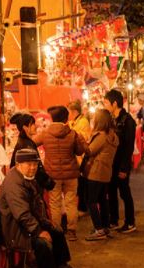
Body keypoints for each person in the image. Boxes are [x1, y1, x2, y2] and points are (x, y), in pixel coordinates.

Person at [0, 148, 78, 268]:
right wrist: (38, 230)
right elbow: (22, 214)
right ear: (18, 165)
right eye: (28, 164)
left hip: (28, 223)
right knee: (43, 243)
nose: (33, 167)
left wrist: (46, 222)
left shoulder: (27, 177)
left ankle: (61, 265)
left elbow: (36, 205)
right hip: (16, 230)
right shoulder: (13, 183)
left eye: (34, 164)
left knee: (57, 230)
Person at [34, 105, 88, 241]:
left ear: (52, 118)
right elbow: (80, 151)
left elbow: (32, 143)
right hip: (71, 174)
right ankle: (72, 232)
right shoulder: (72, 133)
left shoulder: (45, 133)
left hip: (52, 174)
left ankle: (57, 231)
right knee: (71, 203)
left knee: (55, 203)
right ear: (66, 118)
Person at [104, 89, 137, 233]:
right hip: (112, 163)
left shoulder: (128, 121)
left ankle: (130, 222)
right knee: (111, 191)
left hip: (121, 164)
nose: (104, 105)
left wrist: (124, 168)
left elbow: (129, 147)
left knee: (124, 192)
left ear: (114, 103)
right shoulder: (112, 119)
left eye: (106, 103)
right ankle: (113, 220)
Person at [83, 109, 118, 241]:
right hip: (105, 172)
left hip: (95, 172)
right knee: (103, 200)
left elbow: (89, 151)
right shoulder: (113, 136)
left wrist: (83, 141)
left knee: (91, 201)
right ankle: (105, 226)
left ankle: (98, 229)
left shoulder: (101, 137)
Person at [8, 113, 54, 191]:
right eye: (32, 124)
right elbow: (34, 168)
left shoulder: (26, 142)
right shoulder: (26, 145)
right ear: (25, 127)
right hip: (28, 186)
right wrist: (48, 183)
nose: (35, 126)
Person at [69, 101, 92, 214]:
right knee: (81, 183)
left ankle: (83, 207)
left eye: (70, 112)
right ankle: (82, 206)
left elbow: (82, 137)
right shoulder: (75, 121)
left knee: (82, 184)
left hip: (81, 156)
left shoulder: (83, 122)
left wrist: (71, 132)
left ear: (74, 112)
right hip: (78, 157)